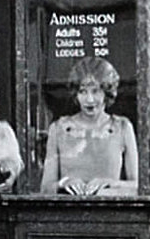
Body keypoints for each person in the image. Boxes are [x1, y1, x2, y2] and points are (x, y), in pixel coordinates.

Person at [40, 56, 138, 195]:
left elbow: (139, 187)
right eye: (83, 92)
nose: (89, 99)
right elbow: (45, 188)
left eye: (96, 91)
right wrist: (64, 183)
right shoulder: (58, 129)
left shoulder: (122, 127)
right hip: (68, 213)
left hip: (111, 212)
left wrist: (112, 184)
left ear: (107, 92)